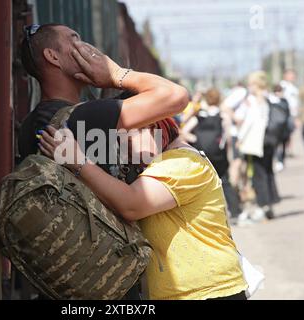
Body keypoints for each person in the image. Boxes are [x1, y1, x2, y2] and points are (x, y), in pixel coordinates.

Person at [19, 23, 189, 299]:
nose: (88, 48)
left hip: (67, 275)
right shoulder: (82, 118)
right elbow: (176, 96)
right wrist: (115, 74)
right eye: (75, 38)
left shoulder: (31, 123)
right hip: (109, 279)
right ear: (53, 57)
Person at [38, 119, 248, 300]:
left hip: (208, 291)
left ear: (155, 127)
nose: (125, 147)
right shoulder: (158, 164)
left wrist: (78, 162)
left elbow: (131, 204)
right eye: (119, 140)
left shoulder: (182, 162)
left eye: (130, 137)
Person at [183, 88, 244, 224]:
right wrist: (229, 156)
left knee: (202, 183)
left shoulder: (199, 116)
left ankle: (203, 214)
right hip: (219, 156)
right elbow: (227, 137)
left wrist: (197, 140)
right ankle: (235, 212)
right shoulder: (222, 116)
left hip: (202, 155)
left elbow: (185, 131)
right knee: (225, 182)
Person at [236, 71, 280, 222]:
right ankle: (271, 204)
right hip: (270, 140)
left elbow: (249, 121)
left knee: (258, 174)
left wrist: (240, 138)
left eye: (250, 84)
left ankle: (263, 205)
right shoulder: (271, 97)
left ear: (255, 84)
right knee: (268, 171)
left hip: (256, 142)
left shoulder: (253, 100)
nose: (249, 87)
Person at [277, 69, 299, 171]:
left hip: (291, 116)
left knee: (286, 138)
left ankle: (282, 158)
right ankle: (279, 159)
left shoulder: (294, 88)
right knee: (280, 139)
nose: (293, 77)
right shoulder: (282, 85)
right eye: (291, 75)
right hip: (282, 116)